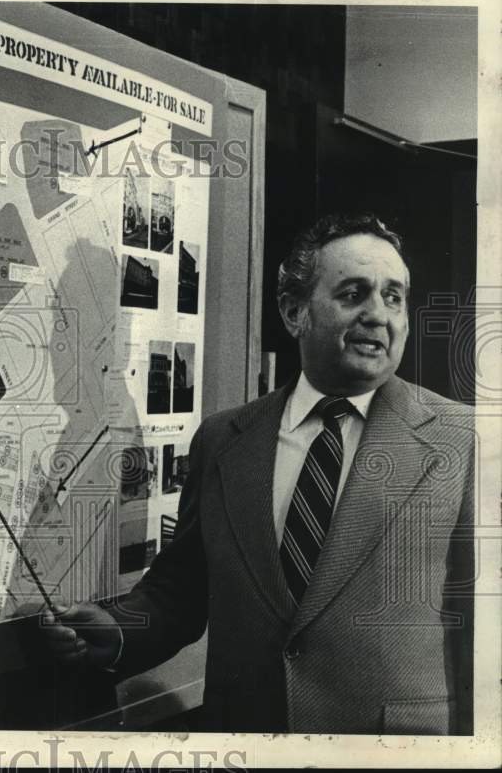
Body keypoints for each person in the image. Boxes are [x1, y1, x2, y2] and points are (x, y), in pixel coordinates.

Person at [41, 213, 475, 735]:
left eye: (393, 297)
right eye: (354, 293)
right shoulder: (224, 440)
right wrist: (117, 629)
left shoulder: (466, 441)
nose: (377, 315)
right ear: (295, 312)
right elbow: (182, 590)